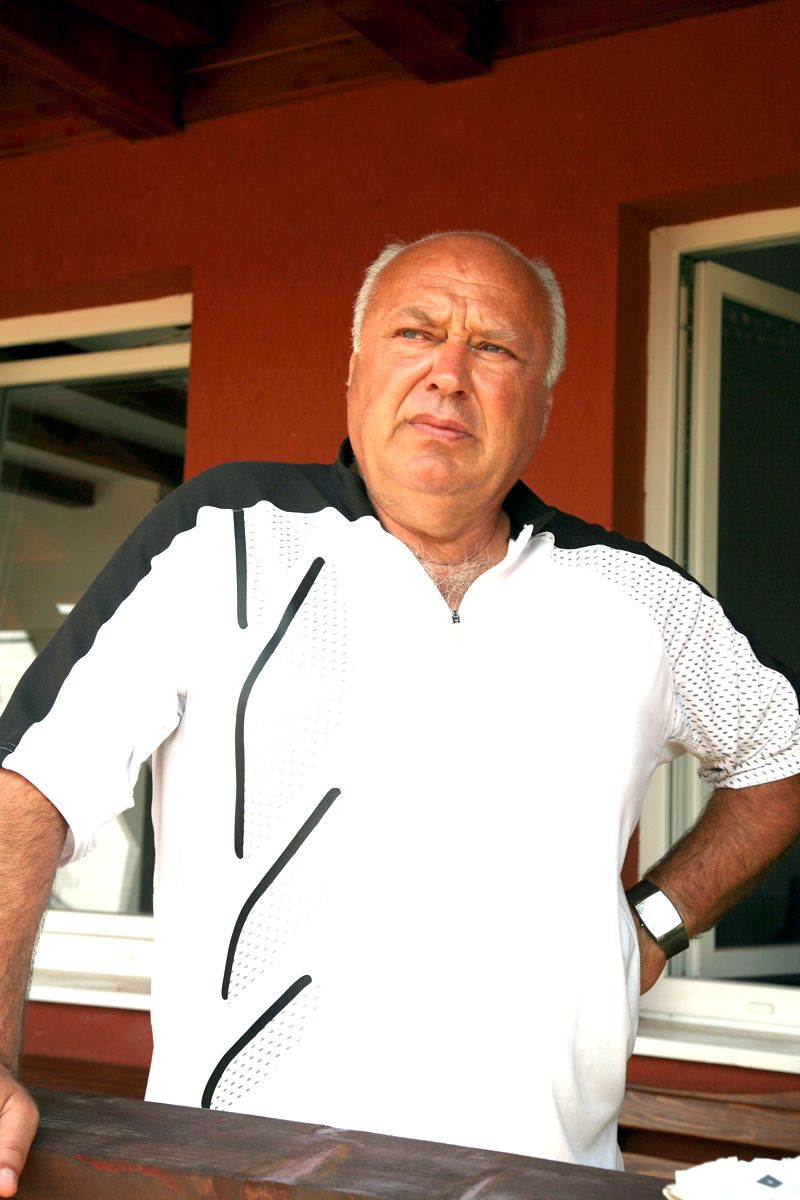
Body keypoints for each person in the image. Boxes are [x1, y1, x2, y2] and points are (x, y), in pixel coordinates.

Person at [0, 231, 798, 1195]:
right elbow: (33, 783)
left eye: (494, 347)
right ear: (355, 369)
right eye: (415, 333)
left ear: (544, 399)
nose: (447, 375)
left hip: (541, 1179)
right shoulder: (224, 537)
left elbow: (782, 751)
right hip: (246, 1179)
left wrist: (655, 926)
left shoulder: (637, 600)